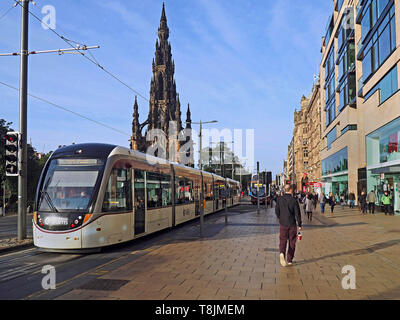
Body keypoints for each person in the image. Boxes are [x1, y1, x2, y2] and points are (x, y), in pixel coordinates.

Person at [275, 184, 302, 267]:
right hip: (292, 224)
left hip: (283, 223)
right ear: (291, 190)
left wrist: (280, 218)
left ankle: (282, 253)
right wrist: (299, 224)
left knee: (283, 240)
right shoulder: (294, 200)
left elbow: (277, 211)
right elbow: (297, 213)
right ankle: (289, 259)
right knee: (292, 241)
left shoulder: (279, 199)